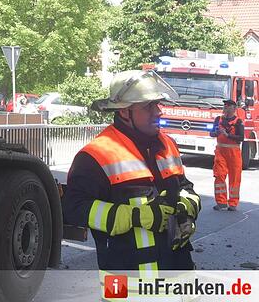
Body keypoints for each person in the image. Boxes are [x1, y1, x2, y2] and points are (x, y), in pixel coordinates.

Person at [62, 70, 201, 277]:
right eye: (148, 106)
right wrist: (136, 216)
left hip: (179, 273)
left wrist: (184, 208)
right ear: (125, 112)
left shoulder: (167, 144)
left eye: (158, 104)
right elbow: (73, 209)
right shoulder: (96, 155)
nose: (158, 112)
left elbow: (185, 188)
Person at [210, 98, 245, 211]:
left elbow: (241, 138)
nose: (225, 107)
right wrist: (216, 133)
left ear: (234, 108)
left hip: (234, 153)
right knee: (219, 175)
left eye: (228, 106)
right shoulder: (218, 119)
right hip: (220, 151)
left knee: (235, 178)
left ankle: (233, 203)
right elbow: (211, 133)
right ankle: (221, 202)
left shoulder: (238, 122)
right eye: (225, 105)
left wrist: (228, 135)